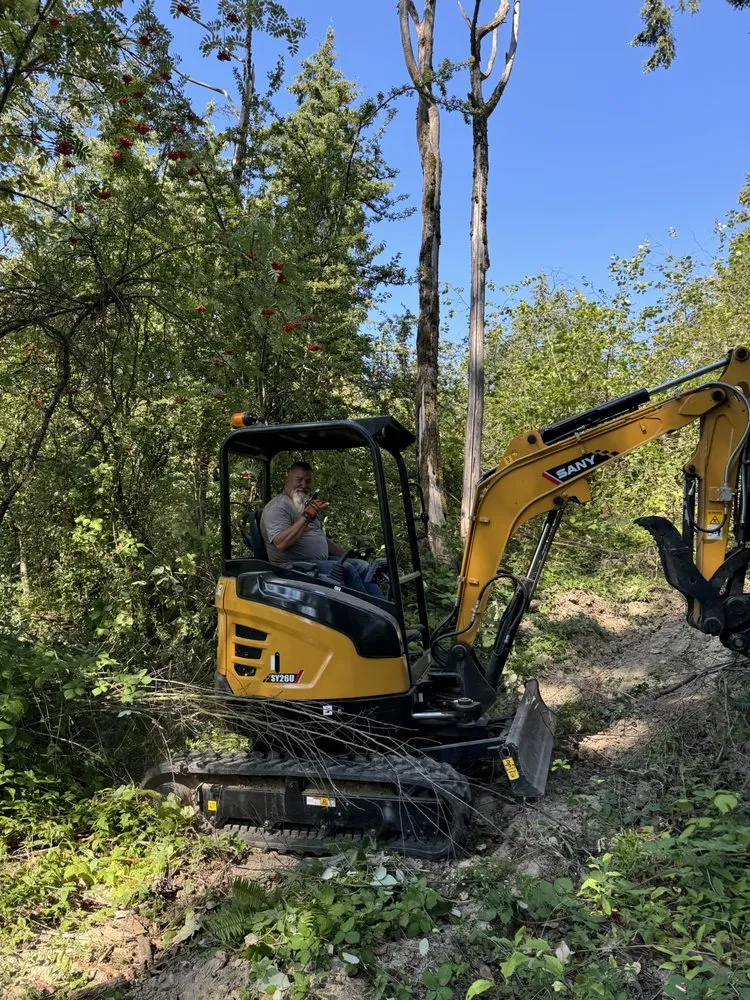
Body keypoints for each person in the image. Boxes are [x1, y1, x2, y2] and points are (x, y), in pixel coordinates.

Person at [260, 461, 383, 598]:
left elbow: (319, 538)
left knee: (363, 566)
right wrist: (306, 517)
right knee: (346, 570)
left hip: (315, 563)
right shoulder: (278, 507)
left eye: (308, 481)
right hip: (291, 568)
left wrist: (346, 554)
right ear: (286, 479)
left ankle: (384, 609)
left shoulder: (303, 506)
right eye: (299, 480)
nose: (304, 485)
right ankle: (368, 613)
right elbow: (281, 543)